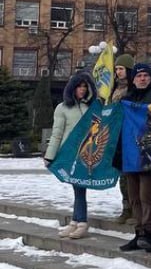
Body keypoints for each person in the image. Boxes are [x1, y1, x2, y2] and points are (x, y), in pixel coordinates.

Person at [118, 63, 151, 253]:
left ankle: (149, 234)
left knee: (146, 195)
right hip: (130, 154)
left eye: (145, 75)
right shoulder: (128, 97)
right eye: (138, 76)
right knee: (133, 196)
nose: (142, 79)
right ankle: (138, 233)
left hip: (148, 154)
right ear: (133, 79)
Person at [44, 72, 98, 240]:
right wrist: (50, 155)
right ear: (72, 88)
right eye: (79, 86)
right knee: (77, 188)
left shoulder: (92, 107)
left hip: (88, 154)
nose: (82, 90)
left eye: (85, 87)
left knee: (79, 188)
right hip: (70, 154)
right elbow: (57, 133)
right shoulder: (62, 108)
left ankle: (80, 222)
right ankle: (77, 222)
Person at [111, 53, 135, 225]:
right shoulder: (114, 88)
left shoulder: (133, 88)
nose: (118, 72)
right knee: (122, 176)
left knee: (131, 176)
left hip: (130, 136)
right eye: (116, 69)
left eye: (121, 69)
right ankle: (126, 208)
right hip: (117, 135)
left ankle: (134, 208)